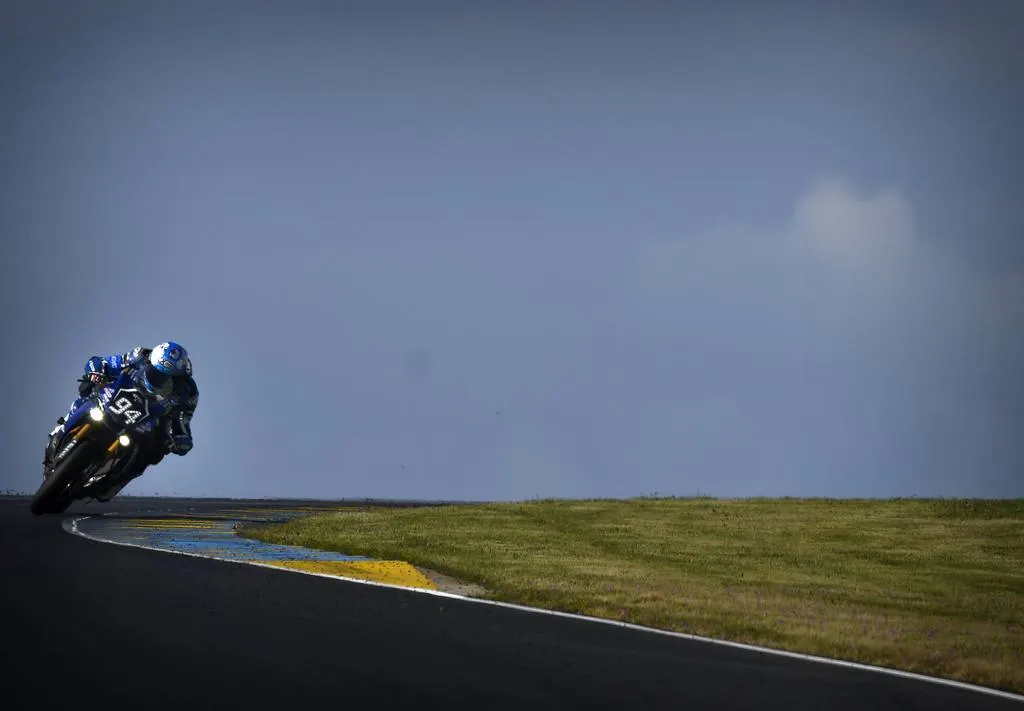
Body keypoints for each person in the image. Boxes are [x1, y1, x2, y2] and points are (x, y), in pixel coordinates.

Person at [44, 342, 199, 500]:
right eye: (155, 372)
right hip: (112, 398)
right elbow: (102, 362)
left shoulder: (188, 392)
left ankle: (113, 482)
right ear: (151, 361)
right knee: (86, 394)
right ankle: (61, 429)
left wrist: (180, 440)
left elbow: (183, 421)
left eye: (165, 378)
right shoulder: (139, 355)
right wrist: (95, 372)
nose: (158, 379)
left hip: (145, 419)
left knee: (153, 453)